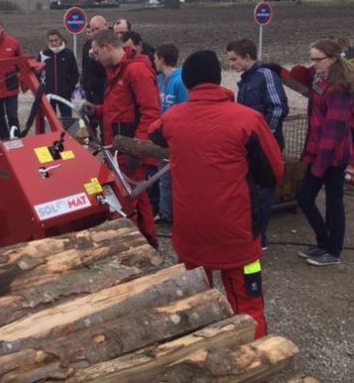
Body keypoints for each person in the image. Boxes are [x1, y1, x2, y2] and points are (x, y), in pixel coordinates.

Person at [148, 50, 284, 339]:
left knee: (198, 302)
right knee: (248, 304)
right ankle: (255, 356)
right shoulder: (248, 120)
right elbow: (273, 173)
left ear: (188, 83)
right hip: (237, 234)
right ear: (219, 78)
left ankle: (203, 353)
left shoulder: (173, 119)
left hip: (190, 232)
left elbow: (154, 132)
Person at [82, 29, 160, 247]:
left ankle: (145, 242)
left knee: (133, 197)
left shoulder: (136, 72)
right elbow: (117, 109)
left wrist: (138, 148)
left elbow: (151, 113)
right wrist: (96, 111)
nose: (95, 59)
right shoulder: (116, 73)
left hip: (130, 150)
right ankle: (143, 241)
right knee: (132, 196)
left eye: (96, 53)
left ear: (108, 47)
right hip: (118, 150)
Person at [286, 40, 353, 266]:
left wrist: (319, 164)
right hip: (317, 153)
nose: (313, 64)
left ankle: (333, 252)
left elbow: (334, 132)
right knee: (306, 199)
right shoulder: (320, 81)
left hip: (332, 157)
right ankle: (324, 243)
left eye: (318, 59)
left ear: (332, 59)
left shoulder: (340, 89)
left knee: (333, 202)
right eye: (312, 59)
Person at [226, 38, 289, 249]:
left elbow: (278, 107)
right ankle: (251, 234)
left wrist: (265, 137)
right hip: (250, 146)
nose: (231, 64)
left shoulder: (265, 75)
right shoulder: (247, 80)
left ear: (247, 56)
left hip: (264, 146)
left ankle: (260, 239)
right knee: (250, 191)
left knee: (263, 191)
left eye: (234, 59)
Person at [153, 43, 189, 224]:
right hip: (163, 136)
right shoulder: (159, 80)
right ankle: (165, 213)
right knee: (163, 177)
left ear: (161, 59)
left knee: (179, 178)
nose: (154, 62)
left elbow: (185, 109)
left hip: (177, 138)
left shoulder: (180, 81)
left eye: (155, 58)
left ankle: (179, 214)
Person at [37, 28, 79, 118]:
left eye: (55, 40)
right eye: (51, 41)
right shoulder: (43, 54)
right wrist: (43, 90)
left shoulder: (68, 54)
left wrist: (68, 89)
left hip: (64, 95)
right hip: (49, 95)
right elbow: (37, 74)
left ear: (60, 39)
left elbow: (74, 74)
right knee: (50, 120)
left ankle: (67, 132)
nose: (53, 43)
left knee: (67, 119)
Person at [81, 15, 108, 140]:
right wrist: (85, 83)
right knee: (92, 115)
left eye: (97, 29)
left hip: (106, 88)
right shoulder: (88, 45)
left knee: (106, 120)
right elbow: (85, 67)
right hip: (92, 87)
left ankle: (105, 141)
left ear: (105, 25)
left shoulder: (111, 44)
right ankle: (94, 138)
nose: (94, 32)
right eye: (92, 30)